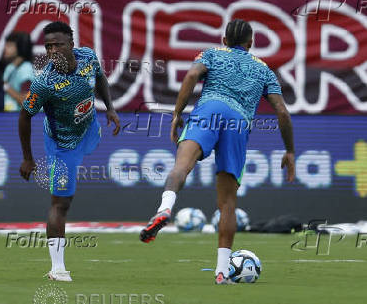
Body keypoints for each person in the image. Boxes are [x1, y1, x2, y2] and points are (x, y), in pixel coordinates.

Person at [139, 19, 295, 285]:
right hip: (238, 123)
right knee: (227, 203)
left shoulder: (211, 54)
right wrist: (290, 151)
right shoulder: (264, 69)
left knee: (181, 167)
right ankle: (222, 272)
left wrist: (177, 114)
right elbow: (281, 111)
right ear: (251, 43)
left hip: (209, 111)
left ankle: (165, 208)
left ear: (224, 40)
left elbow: (190, 76)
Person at [18, 21, 120, 282]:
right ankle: (57, 268)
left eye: (58, 45)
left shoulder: (88, 56)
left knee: (88, 147)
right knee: (61, 203)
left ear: (71, 45)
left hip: (89, 129)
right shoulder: (44, 83)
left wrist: (110, 107)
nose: (52, 51)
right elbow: (24, 116)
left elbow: (99, 78)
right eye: (48, 46)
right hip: (63, 144)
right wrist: (28, 158)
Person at [2, 32, 34, 111]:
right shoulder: (9, 67)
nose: (5, 48)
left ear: (20, 47)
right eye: (6, 45)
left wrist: (6, 87)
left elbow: (27, 102)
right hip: (6, 117)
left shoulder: (26, 69)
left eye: (9, 46)